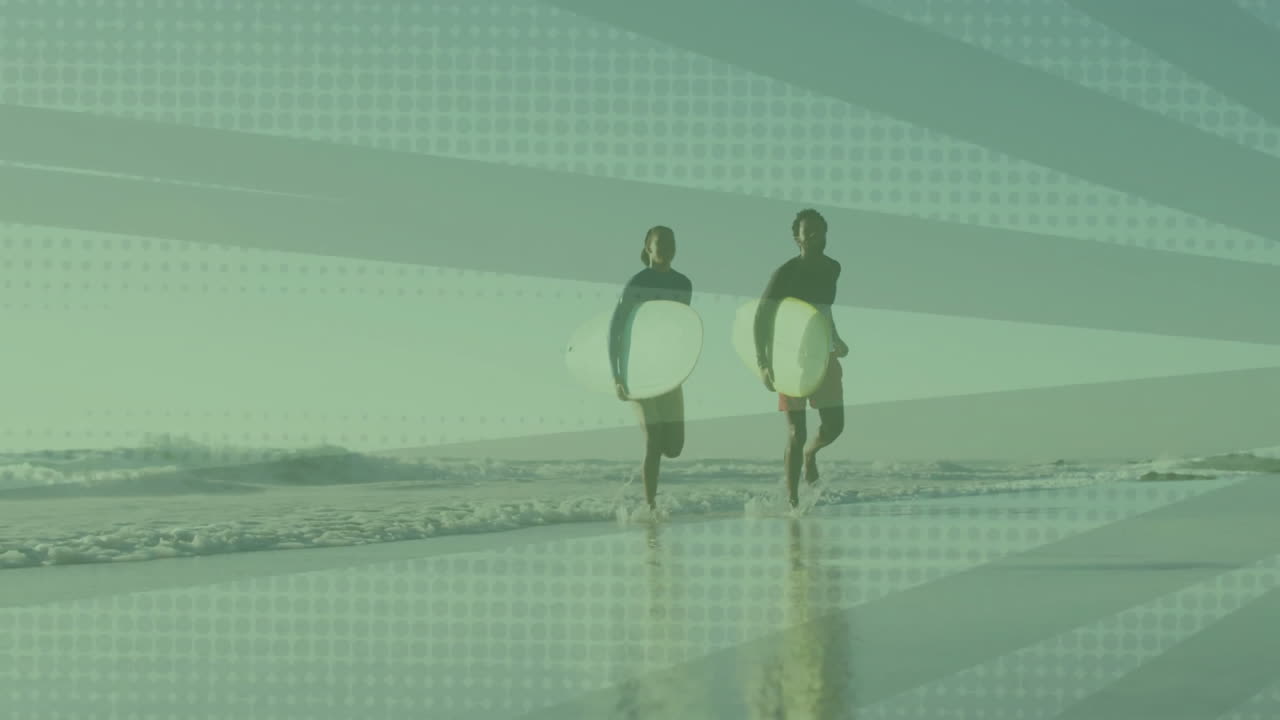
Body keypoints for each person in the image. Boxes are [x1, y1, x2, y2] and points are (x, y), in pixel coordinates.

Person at [753, 208, 849, 509]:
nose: (813, 236)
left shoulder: (833, 268)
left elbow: (821, 309)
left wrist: (836, 337)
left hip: (822, 352)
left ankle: (811, 454)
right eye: (806, 232)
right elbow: (761, 317)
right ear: (798, 238)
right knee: (796, 431)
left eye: (818, 230)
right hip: (789, 358)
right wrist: (764, 364)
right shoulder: (785, 273)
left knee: (835, 426)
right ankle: (794, 502)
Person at [609, 226, 693, 513]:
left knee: (674, 448)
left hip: (669, 373)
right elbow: (616, 329)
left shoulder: (684, 284)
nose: (667, 247)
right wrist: (617, 375)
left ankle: (647, 500)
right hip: (639, 371)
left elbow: (682, 329)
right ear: (648, 247)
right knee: (654, 439)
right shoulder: (637, 282)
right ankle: (650, 506)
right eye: (661, 243)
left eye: (671, 242)